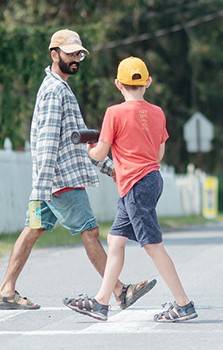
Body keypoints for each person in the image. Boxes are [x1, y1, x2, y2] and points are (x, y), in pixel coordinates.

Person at [0, 30, 155, 311]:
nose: (76, 59)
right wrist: (44, 187)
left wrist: (108, 168)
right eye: (70, 53)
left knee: (32, 230)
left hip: (50, 181)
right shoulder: (55, 90)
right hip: (60, 181)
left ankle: (6, 289)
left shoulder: (59, 87)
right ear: (54, 54)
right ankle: (119, 291)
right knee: (90, 231)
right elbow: (46, 142)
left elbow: (74, 141)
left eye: (79, 53)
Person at [63, 57, 197, 323]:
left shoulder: (114, 113)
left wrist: (90, 149)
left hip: (135, 184)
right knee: (115, 240)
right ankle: (101, 302)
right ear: (147, 82)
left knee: (153, 246)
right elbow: (159, 151)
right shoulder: (158, 112)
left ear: (117, 84)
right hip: (150, 179)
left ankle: (184, 304)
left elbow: (101, 152)